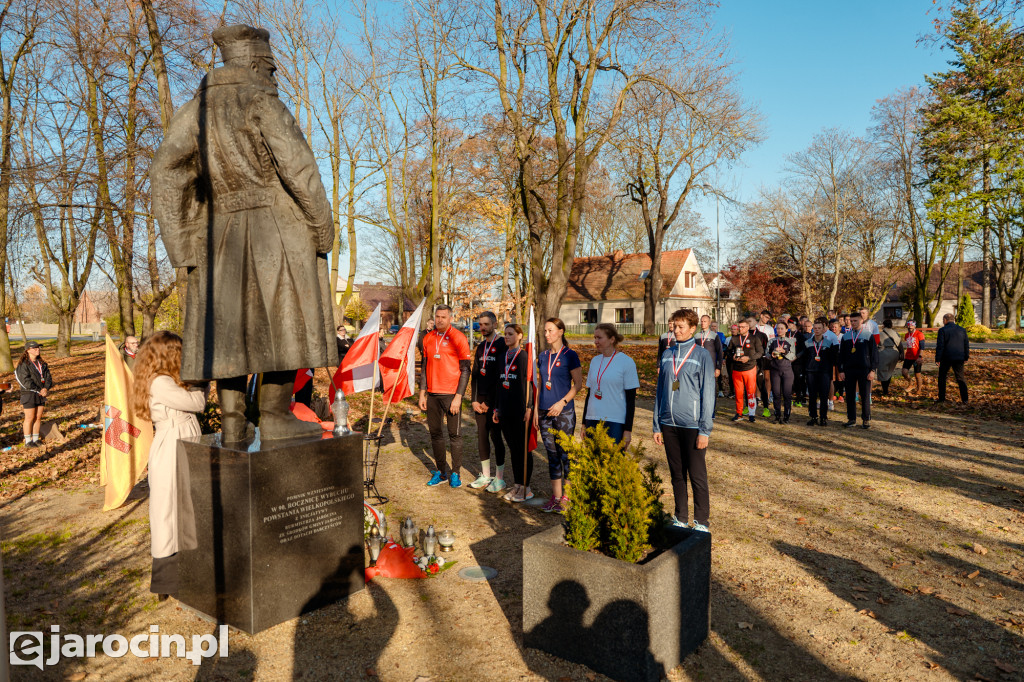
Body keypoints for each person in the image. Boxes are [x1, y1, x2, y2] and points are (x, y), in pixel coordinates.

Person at [151, 25, 339, 444]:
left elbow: (165, 173)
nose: (274, 77)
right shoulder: (261, 101)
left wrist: (183, 243)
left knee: (228, 332)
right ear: (255, 63)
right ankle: (274, 416)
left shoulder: (194, 112)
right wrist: (322, 227)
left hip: (219, 235)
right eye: (270, 69)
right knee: (285, 325)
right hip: (277, 230)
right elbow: (299, 169)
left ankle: (233, 424)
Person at [130, 331, 206, 598]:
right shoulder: (160, 382)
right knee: (168, 511)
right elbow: (197, 402)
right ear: (169, 354)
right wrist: (201, 381)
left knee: (185, 508)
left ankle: (185, 573)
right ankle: (167, 581)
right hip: (174, 443)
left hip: (180, 440)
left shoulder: (163, 379)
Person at [653, 309, 715, 533]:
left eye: (681, 327)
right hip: (669, 424)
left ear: (692, 329)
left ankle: (701, 521)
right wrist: (657, 424)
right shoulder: (667, 354)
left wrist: (704, 430)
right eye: (674, 326)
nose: (676, 330)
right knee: (676, 474)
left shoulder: (702, 355)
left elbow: (708, 393)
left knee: (697, 475)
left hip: (692, 425)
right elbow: (660, 391)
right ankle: (680, 516)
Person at [419, 305, 472, 487]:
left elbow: (466, 370)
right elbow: (424, 367)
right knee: (435, 434)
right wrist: (422, 394)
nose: (439, 319)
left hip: (451, 394)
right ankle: (441, 472)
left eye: (443, 317)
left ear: (450, 318)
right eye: (437, 316)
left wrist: (458, 396)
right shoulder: (428, 338)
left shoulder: (458, 337)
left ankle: (455, 473)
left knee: (454, 435)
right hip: (432, 394)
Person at [535, 318, 582, 513]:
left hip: (564, 412)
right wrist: (536, 410)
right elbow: (540, 384)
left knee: (565, 454)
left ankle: (567, 497)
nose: (547, 334)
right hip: (544, 412)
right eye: (545, 331)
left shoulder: (570, 355)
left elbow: (578, 385)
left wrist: (562, 403)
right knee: (552, 454)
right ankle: (555, 497)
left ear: (561, 331)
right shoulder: (543, 355)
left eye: (551, 330)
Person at [492, 323, 534, 502]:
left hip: (520, 410)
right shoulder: (502, 356)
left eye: (510, 334)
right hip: (504, 410)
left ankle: (526, 487)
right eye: (505, 334)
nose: (506, 337)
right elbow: (498, 384)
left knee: (523, 449)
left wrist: (529, 407)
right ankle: (517, 484)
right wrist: (496, 408)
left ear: (520, 336)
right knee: (513, 449)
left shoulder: (524, 356)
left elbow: (530, 383)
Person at [580, 323, 640, 446]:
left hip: (614, 422)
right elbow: (589, 394)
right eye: (595, 338)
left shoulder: (626, 362)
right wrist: (584, 423)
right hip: (592, 418)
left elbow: (630, 400)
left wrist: (627, 430)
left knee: (612, 457)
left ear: (612, 339)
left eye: (599, 338)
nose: (596, 341)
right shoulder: (594, 361)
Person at [469, 311, 507, 492]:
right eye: (480, 324)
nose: (482, 327)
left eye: (486, 324)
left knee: (495, 437)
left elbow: (501, 377)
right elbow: (475, 375)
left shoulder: (502, 344)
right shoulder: (480, 347)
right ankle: (485, 475)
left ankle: (499, 478)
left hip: (495, 400)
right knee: (482, 436)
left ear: (494, 324)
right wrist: (474, 400)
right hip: (480, 400)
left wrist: (490, 403)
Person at [837, 313, 878, 429]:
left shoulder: (868, 335)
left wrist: (873, 370)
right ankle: (851, 419)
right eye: (851, 321)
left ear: (861, 321)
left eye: (855, 320)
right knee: (850, 395)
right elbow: (841, 355)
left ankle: (866, 419)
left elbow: (874, 354)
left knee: (865, 395)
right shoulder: (846, 337)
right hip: (849, 370)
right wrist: (841, 370)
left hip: (864, 370)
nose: (853, 323)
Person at [15, 341, 52, 448]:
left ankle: (36, 439)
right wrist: (38, 389)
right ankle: (28, 441)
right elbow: (24, 381)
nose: (37, 349)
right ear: (28, 350)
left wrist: (46, 388)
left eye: (38, 348)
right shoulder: (23, 365)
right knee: (29, 417)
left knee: (38, 417)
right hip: (29, 394)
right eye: (34, 348)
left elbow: (48, 378)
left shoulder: (42, 364)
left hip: (41, 394)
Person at [727, 319, 763, 422]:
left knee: (750, 392)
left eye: (743, 327)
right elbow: (728, 352)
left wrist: (749, 358)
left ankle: (751, 414)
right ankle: (739, 414)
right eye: (739, 327)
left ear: (748, 327)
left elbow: (760, 352)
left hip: (750, 368)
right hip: (737, 369)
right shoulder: (734, 338)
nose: (740, 329)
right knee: (738, 393)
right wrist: (732, 356)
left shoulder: (754, 338)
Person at [802, 318, 836, 426]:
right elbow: (805, 358)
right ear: (813, 329)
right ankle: (813, 417)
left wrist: (830, 373)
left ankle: (823, 417)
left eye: (819, 328)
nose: (817, 330)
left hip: (824, 373)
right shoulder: (807, 342)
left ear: (823, 330)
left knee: (824, 396)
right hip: (811, 372)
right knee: (812, 395)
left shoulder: (828, 343)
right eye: (815, 328)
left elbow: (832, 359)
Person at [935, 312, 969, 404]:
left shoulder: (942, 330)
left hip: (946, 357)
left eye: (943, 320)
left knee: (942, 377)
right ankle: (965, 399)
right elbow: (966, 344)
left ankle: (942, 398)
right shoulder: (962, 330)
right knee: (960, 378)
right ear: (953, 320)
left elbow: (940, 346)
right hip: (959, 357)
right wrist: (966, 356)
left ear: (945, 320)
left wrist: (938, 358)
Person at [766, 322, 797, 424]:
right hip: (775, 370)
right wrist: (771, 356)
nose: (779, 330)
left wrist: (784, 352)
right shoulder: (771, 341)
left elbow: (793, 356)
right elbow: (766, 354)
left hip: (787, 370)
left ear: (786, 329)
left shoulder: (790, 341)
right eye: (778, 328)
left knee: (787, 394)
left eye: (782, 328)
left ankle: (786, 416)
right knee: (776, 394)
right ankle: (777, 415)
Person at [694, 315, 722, 401]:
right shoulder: (696, 336)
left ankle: (711, 407)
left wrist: (718, 368)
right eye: (701, 321)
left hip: (710, 366)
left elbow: (719, 352)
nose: (702, 323)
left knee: (710, 388)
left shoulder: (714, 335)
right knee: (699, 387)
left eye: (705, 321)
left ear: (709, 323)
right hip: (699, 366)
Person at [876, 319, 903, 396]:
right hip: (894, 354)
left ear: (883, 325)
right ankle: (886, 389)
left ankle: (885, 390)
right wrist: (902, 354)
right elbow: (900, 345)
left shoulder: (880, 334)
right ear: (891, 325)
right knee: (889, 372)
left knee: (883, 372)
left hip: (883, 354)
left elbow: (875, 345)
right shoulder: (896, 333)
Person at [753, 315, 772, 417]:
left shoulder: (768, 330)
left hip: (764, 358)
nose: (767, 319)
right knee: (754, 380)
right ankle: (757, 398)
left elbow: (768, 345)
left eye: (768, 318)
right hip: (753, 360)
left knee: (766, 378)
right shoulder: (751, 329)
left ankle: (767, 399)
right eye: (766, 317)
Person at [901, 320, 926, 395]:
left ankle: (919, 390)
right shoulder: (906, 335)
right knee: (904, 372)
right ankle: (911, 383)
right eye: (908, 325)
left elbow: (922, 346)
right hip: (908, 356)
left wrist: (920, 356)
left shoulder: (919, 334)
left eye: (911, 325)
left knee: (917, 374)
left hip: (917, 357)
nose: (910, 327)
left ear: (915, 326)